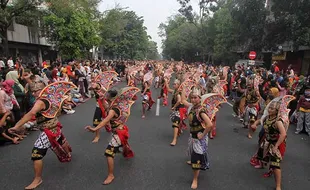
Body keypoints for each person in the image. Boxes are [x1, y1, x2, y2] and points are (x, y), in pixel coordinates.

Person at [9, 81, 74, 190]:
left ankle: (37, 179)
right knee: (61, 139)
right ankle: (68, 154)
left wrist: (17, 125)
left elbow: (31, 114)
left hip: (48, 131)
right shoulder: (50, 98)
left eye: (36, 90)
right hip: (54, 126)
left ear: (43, 89)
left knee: (36, 154)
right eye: (32, 91)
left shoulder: (40, 102)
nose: (34, 93)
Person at [85, 88, 138, 185]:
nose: (105, 95)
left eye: (106, 95)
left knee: (109, 153)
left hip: (118, 132)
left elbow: (106, 120)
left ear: (110, 97)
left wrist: (94, 129)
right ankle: (126, 150)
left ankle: (111, 175)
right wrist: (101, 101)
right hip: (121, 129)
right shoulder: (116, 105)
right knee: (122, 144)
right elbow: (107, 109)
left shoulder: (113, 109)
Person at [180, 87, 213, 189]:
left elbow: (210, 125)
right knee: (193, 155)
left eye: (195, 98)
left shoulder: (201, 111)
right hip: (193, 136)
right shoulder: (191, 107)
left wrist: (202, 135)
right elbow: (183, 101)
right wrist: (183, 88)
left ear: (199, 98)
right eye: (192, 97)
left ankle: (195, 179)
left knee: (195, 159)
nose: (193, 100)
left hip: (199, 139)